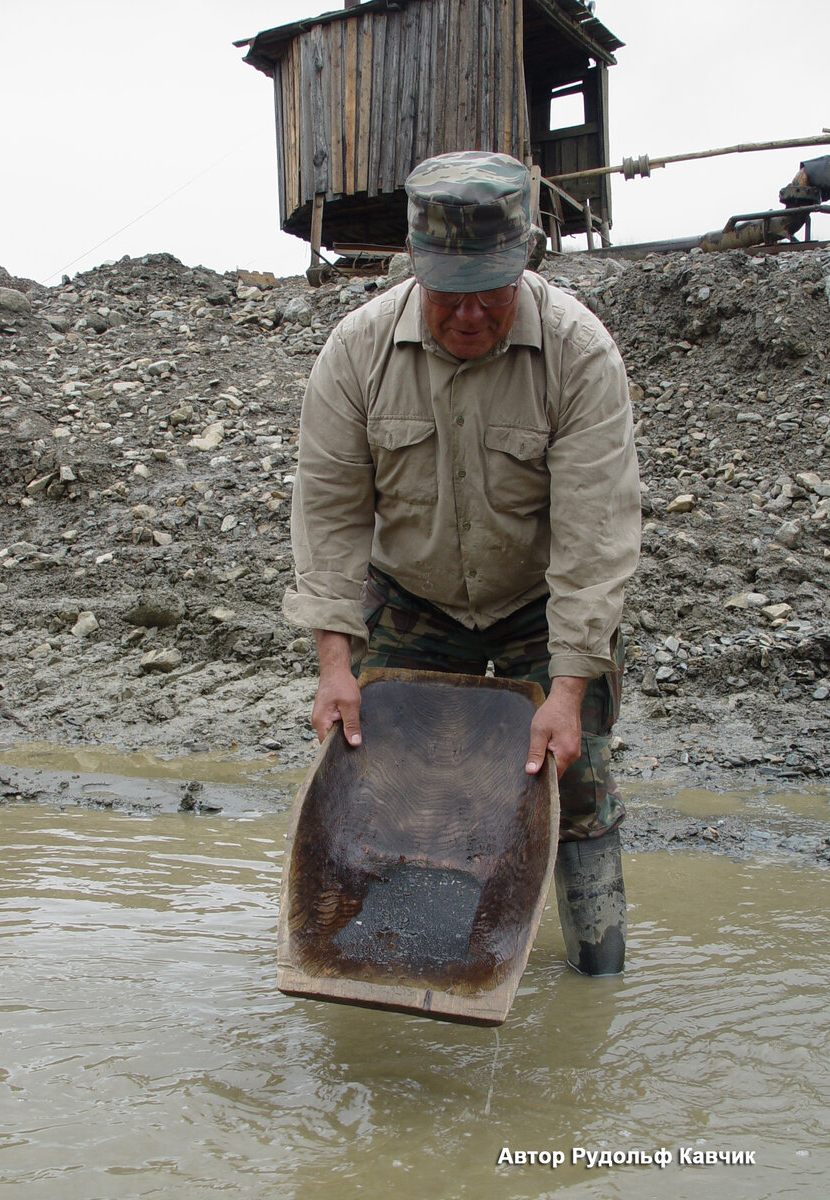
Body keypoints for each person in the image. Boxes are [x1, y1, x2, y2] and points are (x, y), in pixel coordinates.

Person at [283, 150, 641, 975]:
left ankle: (599, 974)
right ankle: (402, 975)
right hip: (413, 595)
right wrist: (335, 667)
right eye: (451, 293)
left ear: (525, 264)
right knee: (391, 785)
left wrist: (567, 689)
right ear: (416, 269)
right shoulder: (358, 352)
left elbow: (598, 537)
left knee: (574, 786)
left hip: (538, 602)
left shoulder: (579, 353)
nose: (472, 313)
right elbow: (331, 518)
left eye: (494, 290)